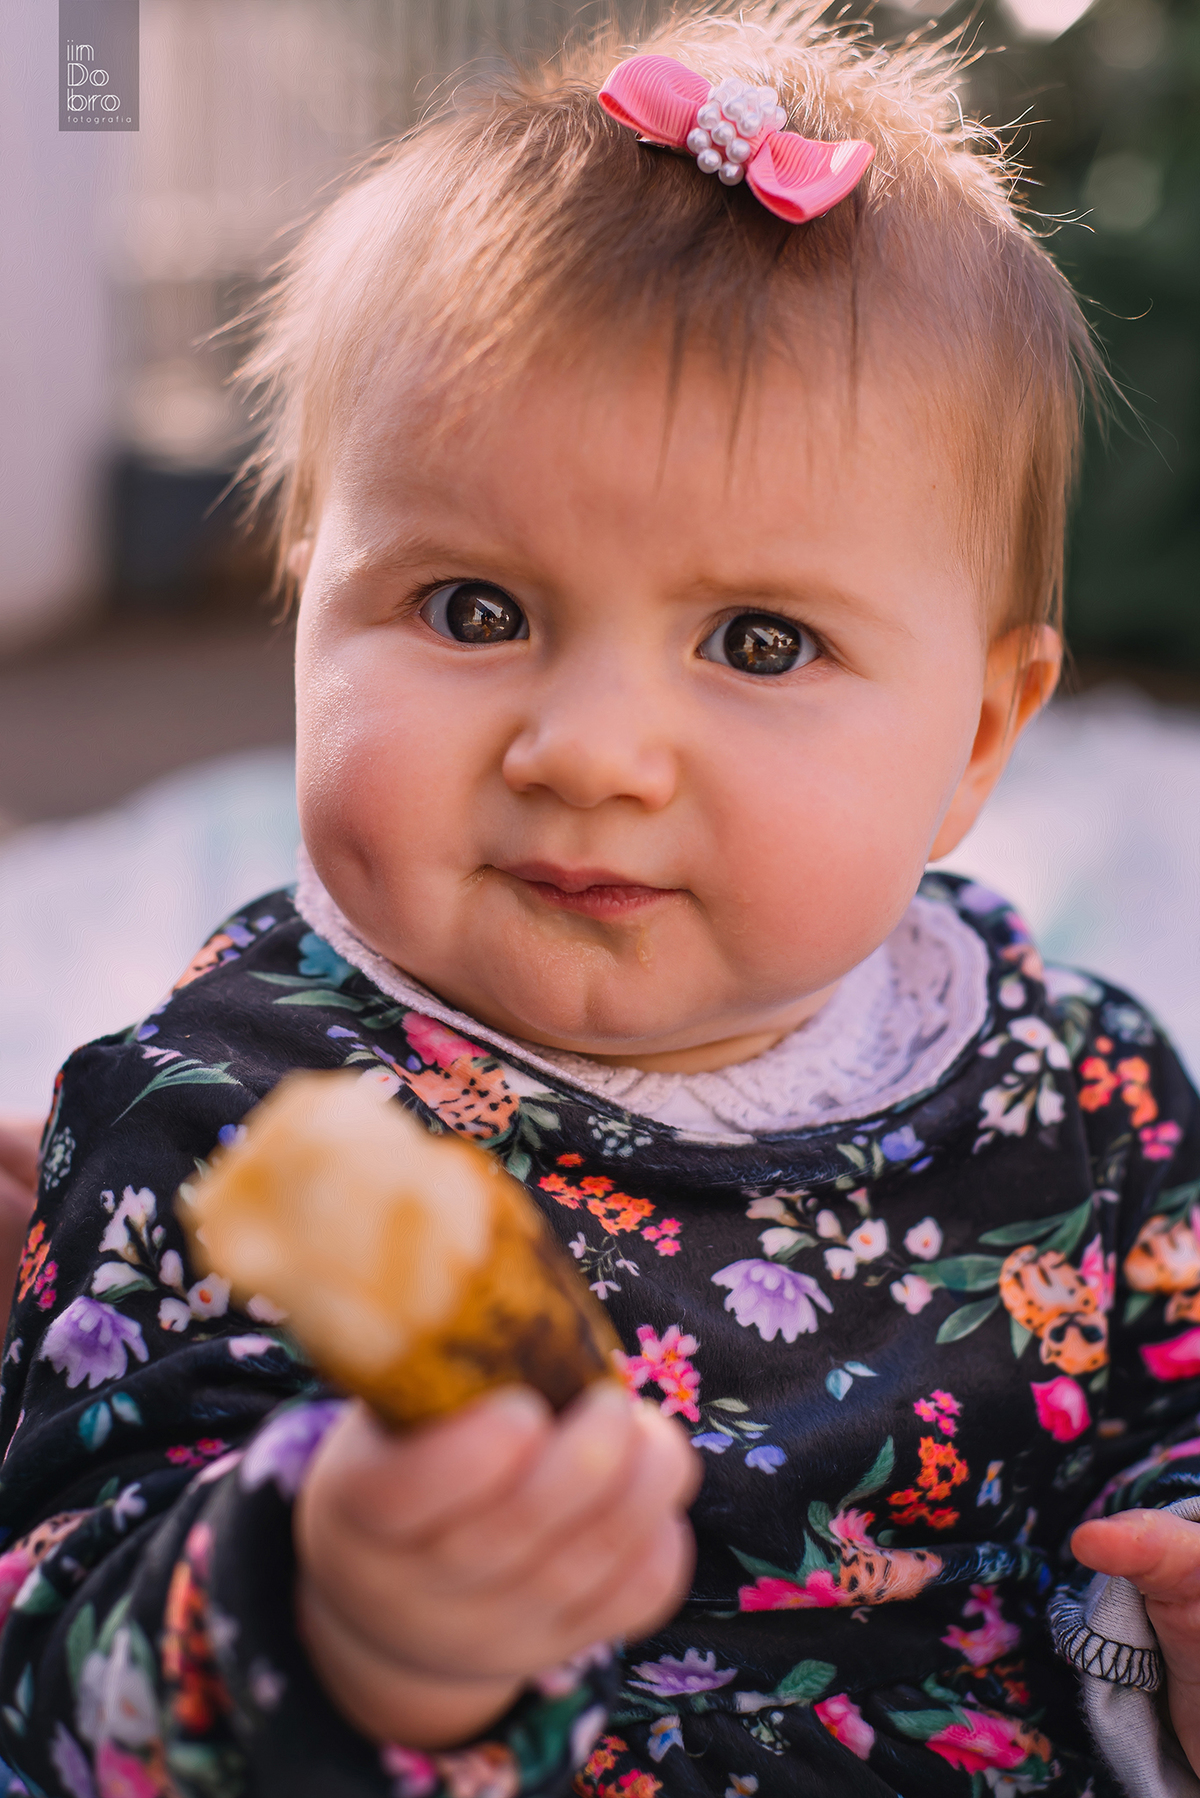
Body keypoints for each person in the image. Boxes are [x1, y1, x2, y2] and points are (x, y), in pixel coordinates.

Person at [3, 7, 1199, 1796]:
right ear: (306, 597)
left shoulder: (1083, 1093)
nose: (591, 752)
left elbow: (1167, 1422)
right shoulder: (225, 1117)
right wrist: (323, 1612)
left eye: (759, 642)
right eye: (474, 608)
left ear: (975, 738)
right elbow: (54, 1648)